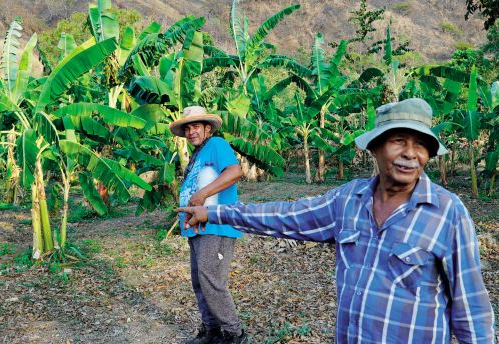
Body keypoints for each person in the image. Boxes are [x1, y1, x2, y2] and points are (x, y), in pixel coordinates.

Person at [177, 98, 496, 343]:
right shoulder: (348, 202)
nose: (411, 154)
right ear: (374, 147)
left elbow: (472, 309)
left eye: (421, 144)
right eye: (399, 141)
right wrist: (214, 212)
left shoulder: (447, 212)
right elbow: (284, 216)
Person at [170, 106, 247, 344]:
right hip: (197, 228)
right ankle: (211, 330)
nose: (191, 132)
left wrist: (201, 195)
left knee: (212, 282)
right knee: (200, 281)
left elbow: (235, 171)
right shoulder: (198, 154)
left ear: (207, 128)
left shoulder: (217, 145)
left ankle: (234, 334)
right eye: (187, 128)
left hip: (216, 225)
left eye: (196, 126)